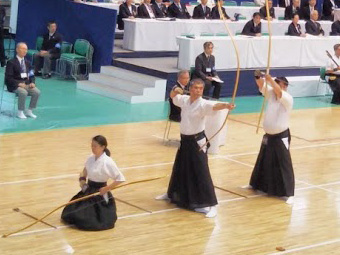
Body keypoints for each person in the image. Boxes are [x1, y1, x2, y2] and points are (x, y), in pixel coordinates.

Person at [156, 79, 235, 218]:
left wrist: (226, 105)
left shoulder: (203, 104)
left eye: (201, 88)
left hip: (197, 142)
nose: (198, 90)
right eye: (196, 88)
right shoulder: (185, 100)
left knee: (201, 171)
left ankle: (210, 204)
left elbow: (215, 106)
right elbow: (173, 96)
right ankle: (172, 193)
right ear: (190, 89)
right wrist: (175, 90)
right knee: (180, 168)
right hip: (184, 141)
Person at [247, 71, 295, 205]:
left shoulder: (286, 97)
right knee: (263, 160)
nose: (274, 86)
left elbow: (278, 92)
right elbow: (261, 85)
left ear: (284, 85)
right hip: (269, 135)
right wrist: (258, 76)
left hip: (281, 136)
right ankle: (257, 185)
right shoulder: (271, 94)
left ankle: (288, 193)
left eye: (277, 83)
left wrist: (270, 80)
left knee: (283, 164)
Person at [61, 135, 125, 230]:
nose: (93, 148)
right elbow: (85, 169)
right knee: (71, 212)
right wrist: (82, 180)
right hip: (88, 189)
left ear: (103, 147)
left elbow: (120, 178)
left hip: (100, 191)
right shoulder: (91, 158)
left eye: (95, 146)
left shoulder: (107, 162)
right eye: (92, 146)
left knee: (90, 219)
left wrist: (106, 189)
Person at [5, 42, 40, 119]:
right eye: (23, 49)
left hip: (26, 84)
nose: (25, 51)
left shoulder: (27, 63)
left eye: (26, 49)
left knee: (36, 92)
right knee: (23, 92)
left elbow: (31, 75)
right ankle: (20, 112)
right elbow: (8, 78)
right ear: (17, 50)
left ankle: (29, 110)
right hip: (14, 85)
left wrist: (32, 82)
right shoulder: (11, 62)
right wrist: (18, 84)